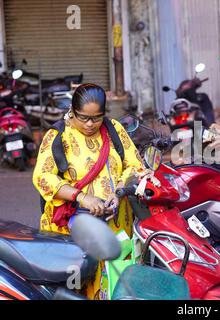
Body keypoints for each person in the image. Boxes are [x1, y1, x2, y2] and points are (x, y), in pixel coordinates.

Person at [33, 83, 144, 299]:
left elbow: (135, 165)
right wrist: (81, 197)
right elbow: (43, 177)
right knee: (74, 285)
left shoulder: (114, 130)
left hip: (114, 226)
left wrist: (119, 190)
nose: (90, 124)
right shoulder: (58, 136)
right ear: (72, 111)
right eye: (83, 117)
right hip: (72, 228)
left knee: (113, 281)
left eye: (97, 117)